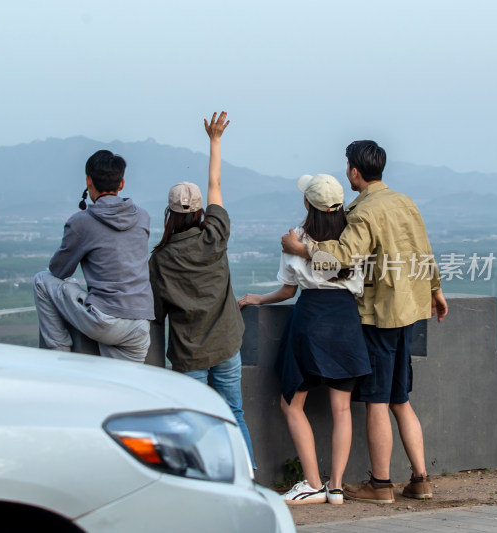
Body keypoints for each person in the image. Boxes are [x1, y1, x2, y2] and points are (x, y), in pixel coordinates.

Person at [281, 140, 449, 504]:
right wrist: (435, 289)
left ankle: (381, 485)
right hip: (410, 308)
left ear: (354, 171)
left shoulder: (363, 212)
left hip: (379, 314)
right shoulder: (405, 201)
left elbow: (341, 258)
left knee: (377, 401)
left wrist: (302, 249)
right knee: (400, 399)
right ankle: (421, 479)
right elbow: (423, 250)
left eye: (347, 166)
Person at [239, 174, 371, 505]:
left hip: (310, 318)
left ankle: (312, 483)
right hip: (346, 319)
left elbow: (288, 290)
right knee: (341, 408)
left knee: (292, 403)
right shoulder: (355, 235)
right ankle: (336, 487)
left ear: (307, 203)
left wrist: (258, 299)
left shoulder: (295, 238)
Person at [148, 111, 254, 463]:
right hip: (225, 343)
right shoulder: (215, 236)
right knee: (234, 414)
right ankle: (247, 478)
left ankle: (202, 483)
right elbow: (215, 186)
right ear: (198, 213)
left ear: (170, 214)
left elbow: (156, 314)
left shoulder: (160, 260)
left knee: (193, 422)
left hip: (188, 353)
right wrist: (215, 141)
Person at [33, 149, 153, 362]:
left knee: (42, 280)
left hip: (104, 320)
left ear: (88, 181)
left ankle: (59, 356)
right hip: (140, 324)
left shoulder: (81, 221)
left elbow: (59, 271)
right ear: (121, 183)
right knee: (123, 389)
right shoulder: (142, 216)